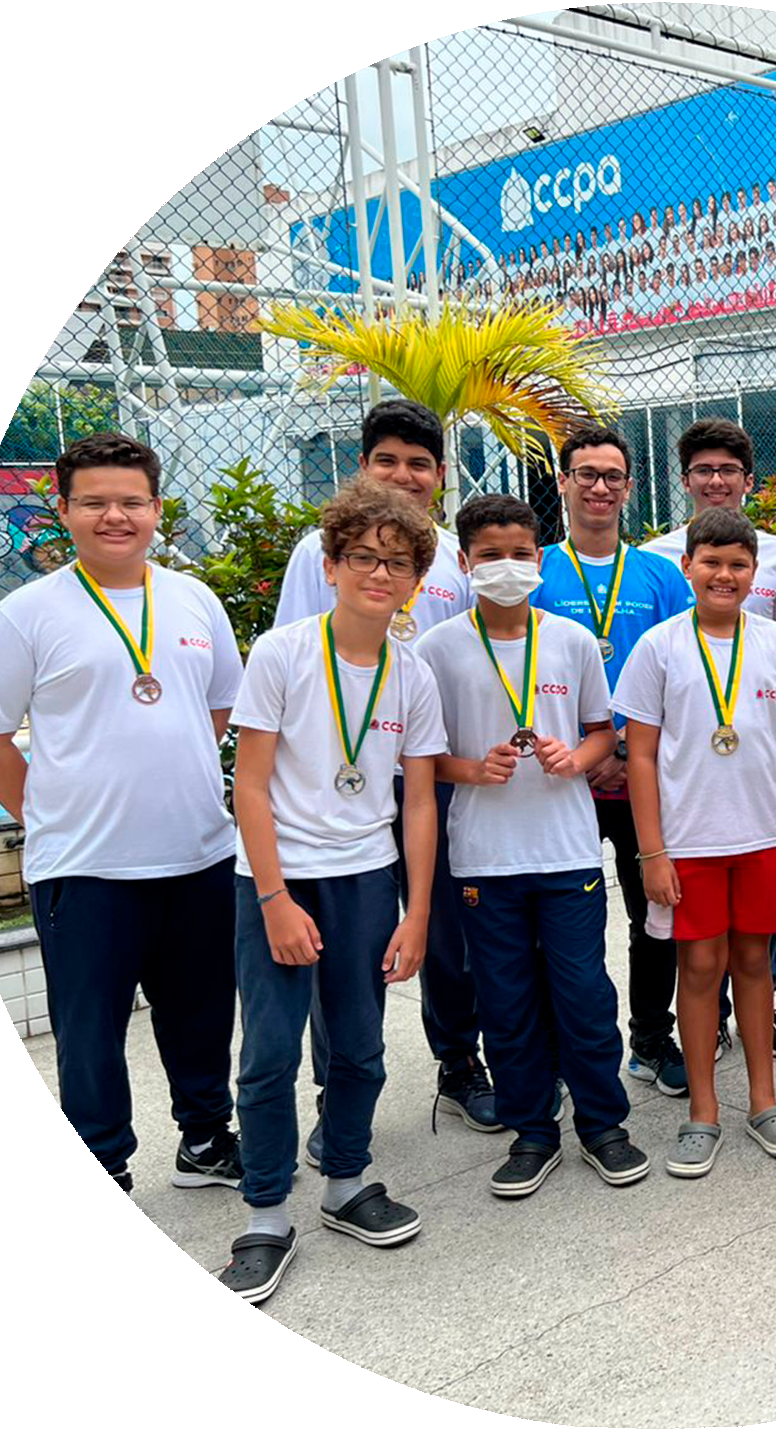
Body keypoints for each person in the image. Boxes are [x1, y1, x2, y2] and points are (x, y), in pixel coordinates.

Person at [0, 433, 244, 1196]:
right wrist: (42, 808)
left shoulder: (194, 600)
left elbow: (218, 706)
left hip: (196, 852)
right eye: (94, 503)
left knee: (202, 1014)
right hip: (84, 866)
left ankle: (205, 1139)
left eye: (130, 502)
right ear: (64, 510)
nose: (114, 517)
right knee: (89, 1032)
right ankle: (101, 1165)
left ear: (156, 509)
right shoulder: (26, 615)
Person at [218, 478, 445, 1304]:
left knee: (358, 1046)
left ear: (416, 579)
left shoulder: (411, 674)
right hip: (279, 879)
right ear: (330, 565)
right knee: (270, 1053)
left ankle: (346, 1182)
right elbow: (249, 786)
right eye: (362, 558)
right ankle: (265, 1215)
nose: (379, 574)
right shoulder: (281, 654)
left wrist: (417, 915)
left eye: (397, 563)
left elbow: (417, 801)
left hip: (364, 880)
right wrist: (274, 898)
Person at [272, 399, 498, 1148]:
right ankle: (334, 1094)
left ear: (441, 475)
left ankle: (458, 1063)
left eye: (419, 463)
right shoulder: (323, 553)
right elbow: (297, 663)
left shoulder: (448, 560)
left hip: (430, 771)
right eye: (387, 460)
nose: (404, 475)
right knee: (343, 941)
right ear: (363, 467)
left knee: (445, 931)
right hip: (346, 778)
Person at [418, 494, 649, 1198]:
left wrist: (575, 760)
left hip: (566, 851)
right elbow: (422, 758)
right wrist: (470, 770)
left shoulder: (572, 642)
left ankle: (603, 1125)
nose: (507, 567)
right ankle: (532, 1132)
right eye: (490, 556)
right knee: (506, 1000)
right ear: (464, 563)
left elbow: (601, 732)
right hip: (484, 857)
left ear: (539, 559)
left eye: (520, 554)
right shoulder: (437, 649)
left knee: (583, 992)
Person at [617, 509, 776, 1178]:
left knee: (754, 962)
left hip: (762, 837)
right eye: (711, 562)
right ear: (687, 567)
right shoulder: (660, 646)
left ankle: (764, 1100)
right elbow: (640, 756)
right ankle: (702, 1110)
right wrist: (652, 852)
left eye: (737, 564)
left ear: (755, 573)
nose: (724, 575)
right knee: (699, 968)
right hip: (688, 841)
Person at [531, 426, 695, 1099]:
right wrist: (581, 752)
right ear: (563, 483)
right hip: (557, 778)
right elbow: (516, 670)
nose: (599, 487)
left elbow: (687, 670)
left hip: (639, 776)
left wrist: (624, 749)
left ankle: (651, 1040)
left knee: (655, 913)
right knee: (556, 928)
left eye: (611, 476)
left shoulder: (659, 575)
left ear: (628, 487)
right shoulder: (534, 569)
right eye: (586, 474)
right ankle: (557, 1052)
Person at [642, 419, 776, 1056]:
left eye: (728, 470)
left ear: (747, 479)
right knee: (694, 948)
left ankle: (763, 1001)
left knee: (755, 944)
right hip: (690, 772)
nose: (716, 480)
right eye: (704, 470)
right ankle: (689, 1024)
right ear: (685, 479)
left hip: (754, 767)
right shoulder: (656, 557)